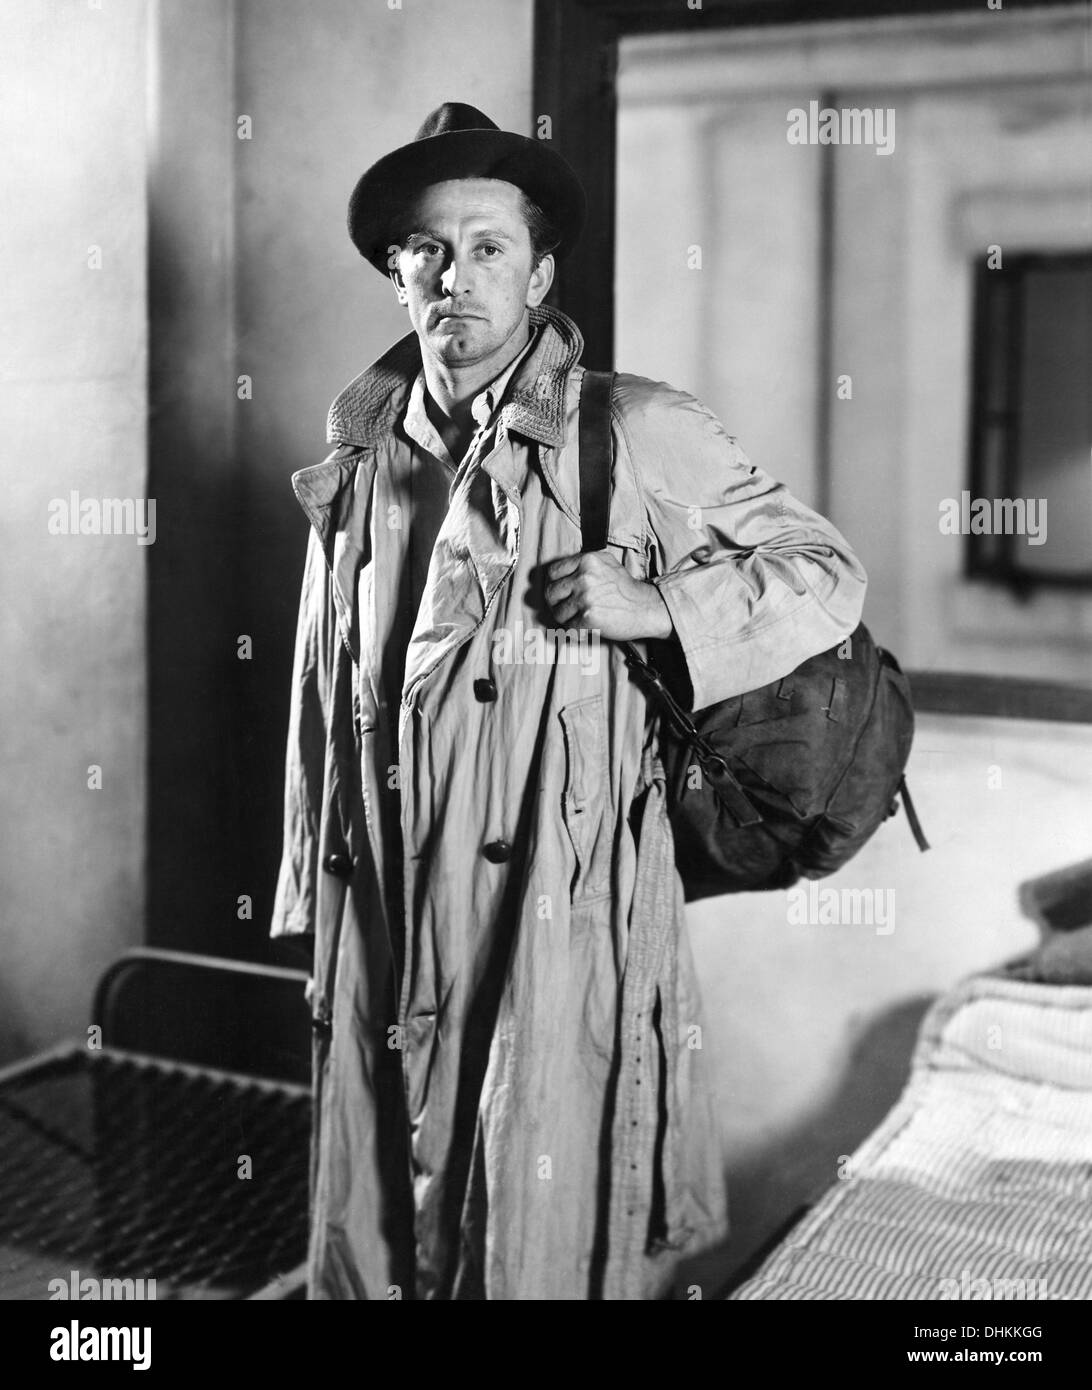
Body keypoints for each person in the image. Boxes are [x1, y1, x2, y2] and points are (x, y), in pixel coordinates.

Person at [271, 102, 867, 1300]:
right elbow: (317, 691)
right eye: (427, 249)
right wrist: (308, 882)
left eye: (488, 246)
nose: (456, 273)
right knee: (387, 1219)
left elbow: (827, 573)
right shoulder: (359, 452)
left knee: (535, 1221)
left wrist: (659, 606)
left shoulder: (631, 428)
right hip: (385, 897)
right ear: (399, 278)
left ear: (538, 275)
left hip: (556, 895)